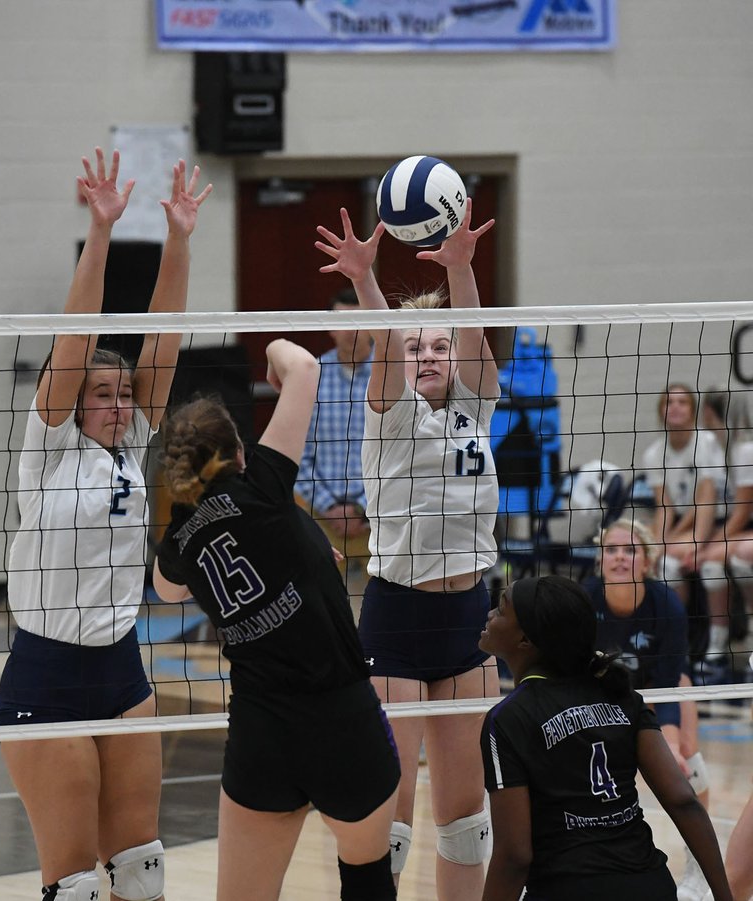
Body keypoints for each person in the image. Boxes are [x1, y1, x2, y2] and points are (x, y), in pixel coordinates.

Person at [0, 147, 211, 901]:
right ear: (72, 401)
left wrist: (178, 239)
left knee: (141, 872)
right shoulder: (48, 450)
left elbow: (165, 337)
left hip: (123, 671)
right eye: (103, 395)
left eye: (126, 394)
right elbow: (76, 337)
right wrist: (102, 230)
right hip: (47, 679)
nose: (120, 405)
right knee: (78, 885)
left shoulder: (135, 446)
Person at [152, 338, 400, 901]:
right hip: (343, 720)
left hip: (263, 735)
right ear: (239, 450)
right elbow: (302, 365)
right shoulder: (264, 486)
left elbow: (166, 592)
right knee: (367, 881)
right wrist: (270, 349)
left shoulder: (181, 543)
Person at [315, 202, 500, 901]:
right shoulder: (388, 414)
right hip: (397, 620)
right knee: (387, 822)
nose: (427, 354)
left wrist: (460, 268)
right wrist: (366, 281)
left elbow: (475, 332)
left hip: (471, 622)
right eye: (416, 345)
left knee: (465, 821)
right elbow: (386, 348)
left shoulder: (476, 406)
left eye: (438, 346)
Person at [479, 575, 732, 901]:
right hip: (650, 886)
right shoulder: (622, 696)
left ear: (525, 640)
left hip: (568, 889)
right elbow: (683, 801)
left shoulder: (507, 719)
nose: (489, 615)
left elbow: (514, 855)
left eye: (500, 610)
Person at [583, 518, 713, 901]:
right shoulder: (585, 601)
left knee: (685, 754)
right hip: (603, 694)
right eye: (611, 550)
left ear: (646, 561)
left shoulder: (667, 604)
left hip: (658, 690)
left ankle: (700, 865)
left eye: (630, 550)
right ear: (600, 560)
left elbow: (670, 682)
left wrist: (669, 741)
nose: (620, 557)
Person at [641, 384, 725, 657]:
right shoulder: (654, 454)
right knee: (664, 564)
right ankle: (679, 642)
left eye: (682, 402)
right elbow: (665, 507)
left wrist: (697, 545)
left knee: (712, 567)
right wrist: (654, 546)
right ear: (661, 411)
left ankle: (717, 646)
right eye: (669, 402)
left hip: (723, 520)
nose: (675, 407)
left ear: (692, 410)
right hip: (691, 523)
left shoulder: (706, 443)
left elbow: (708, 500)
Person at [295, 287, 373, 581]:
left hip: (381, 514)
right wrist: (330, 507)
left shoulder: (392, 373)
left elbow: (403, 451)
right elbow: (299, 456)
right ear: (329, 327)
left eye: (359, 321)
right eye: (343, 321)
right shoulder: (311, 375)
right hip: (322, 517)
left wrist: (363, 508)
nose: (351, 330)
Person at [695, 388, 753, 682]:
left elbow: (743, 512)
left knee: (742, 557)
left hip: (746, 528)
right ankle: (717, 648)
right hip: (735, 529)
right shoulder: (716, 449)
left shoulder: (744, 449)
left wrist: (710, 547)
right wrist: (700, 546)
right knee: (709, 565)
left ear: (712, 413)